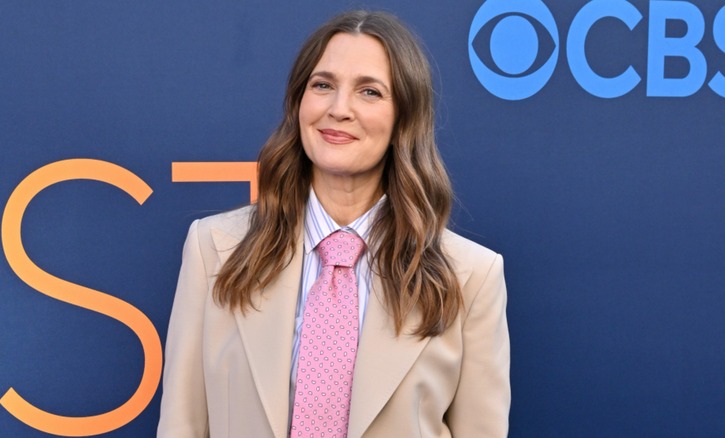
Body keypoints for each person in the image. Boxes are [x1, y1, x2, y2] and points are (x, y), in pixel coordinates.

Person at [157, 10, 509, 438]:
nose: (339, 109)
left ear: (405, 119)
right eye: (322, 85)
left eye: (370, 92)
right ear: (298, 103)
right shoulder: (213, 248)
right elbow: (182, 425)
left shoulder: (471, 277)